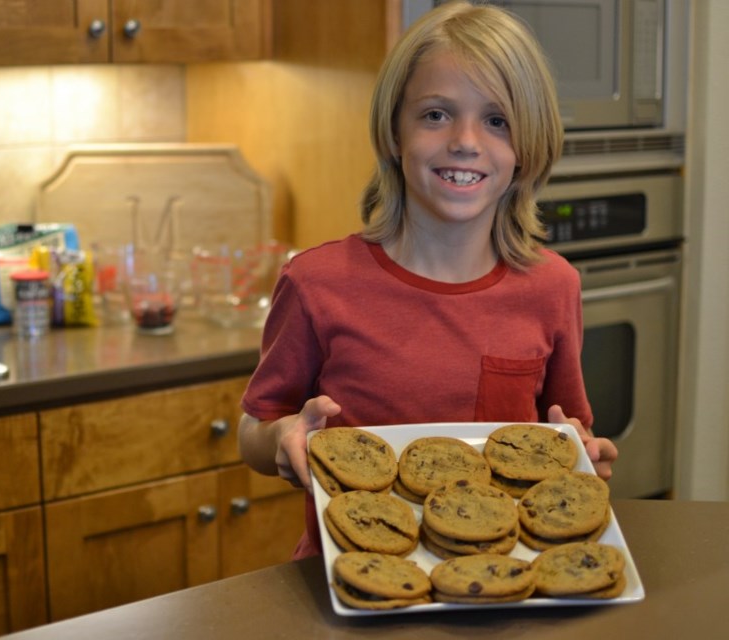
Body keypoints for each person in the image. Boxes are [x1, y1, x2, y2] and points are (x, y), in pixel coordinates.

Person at [237, 0, 619, 560]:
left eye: (497, 120)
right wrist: (281, 439)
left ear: (526, 146)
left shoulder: (551, 286)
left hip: (498, 584)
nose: (465, 141)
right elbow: (256, 427)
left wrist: (585, 457)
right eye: (436, 114)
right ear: (395, 132)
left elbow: (566, 436)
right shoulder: (318, 283)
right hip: (355, 579)